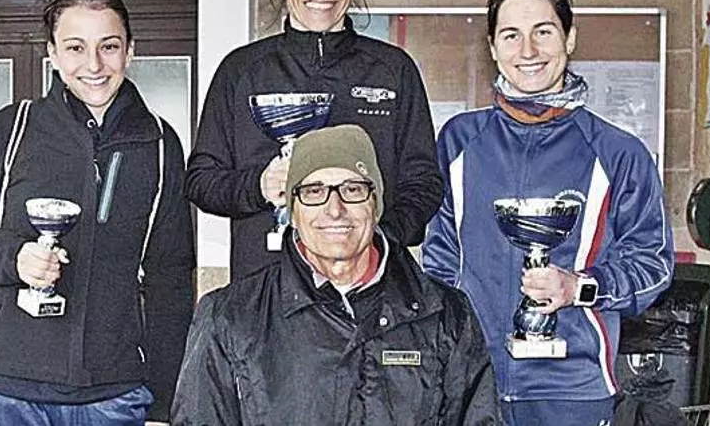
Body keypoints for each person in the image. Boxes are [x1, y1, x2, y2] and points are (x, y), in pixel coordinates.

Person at [0, 0, 195, 424]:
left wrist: (164, 398)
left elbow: (170, 276)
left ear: (130, 51)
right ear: (52, 53)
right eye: (75, 47)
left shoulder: (160, 144)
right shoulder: (12, 129)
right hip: (4, 390)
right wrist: (14, 257)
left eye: (109, 46)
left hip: (113, 394)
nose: (94, 64)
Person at [422, 0, 675, 426]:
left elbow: (653, 266)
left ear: (569, 38)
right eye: (511, 35)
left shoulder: (618, 153)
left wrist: (579, 287)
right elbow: (439, 265)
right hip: (470, 386)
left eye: (543, 32)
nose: (528, 51)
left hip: (573, 391)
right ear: (492, 47)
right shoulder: (458, 141)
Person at [172, 124, 500, 425]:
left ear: (375, 204)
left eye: (352, 189)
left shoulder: (445, 314)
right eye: (314, 191)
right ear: (292, 211)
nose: (334, 209)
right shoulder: (230, 316)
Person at [186, 0, 442, 280]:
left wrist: (376, 239)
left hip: (372, 285)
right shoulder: (241, 70)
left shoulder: (393, 70)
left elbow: (424, 182)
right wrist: (258, 187)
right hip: (266, 283)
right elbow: (201, 180)